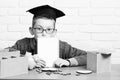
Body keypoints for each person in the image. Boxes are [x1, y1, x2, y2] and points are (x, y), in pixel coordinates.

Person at [5, 5, 87, 70]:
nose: (44, 33)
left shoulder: (62, 47)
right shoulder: (22, 44)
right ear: (31, 30)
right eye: (39, 29)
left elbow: (87, 56)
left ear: (54, 32)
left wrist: (68, 62)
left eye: (49, 29)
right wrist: (26, 59)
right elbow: (4, 54)